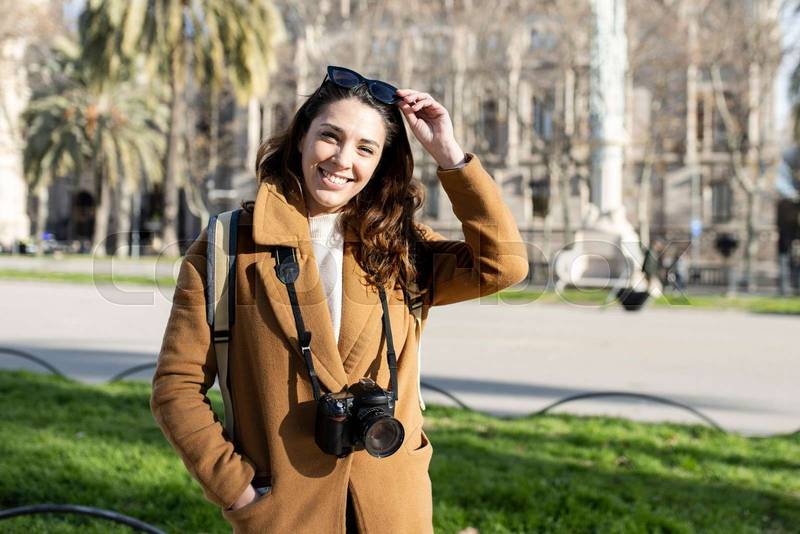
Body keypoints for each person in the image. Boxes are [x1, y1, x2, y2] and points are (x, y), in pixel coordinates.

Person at [151, 65, 528, 534]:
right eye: (330, 136)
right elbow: (176, 386)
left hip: (395, 510)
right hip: (285, 512)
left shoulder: (402, 248)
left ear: (381, 163)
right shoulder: (228, 247)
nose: (343, 160)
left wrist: (450, 157)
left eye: (366, 148)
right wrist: (238, 490)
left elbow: (503, 265)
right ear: (301, 139)